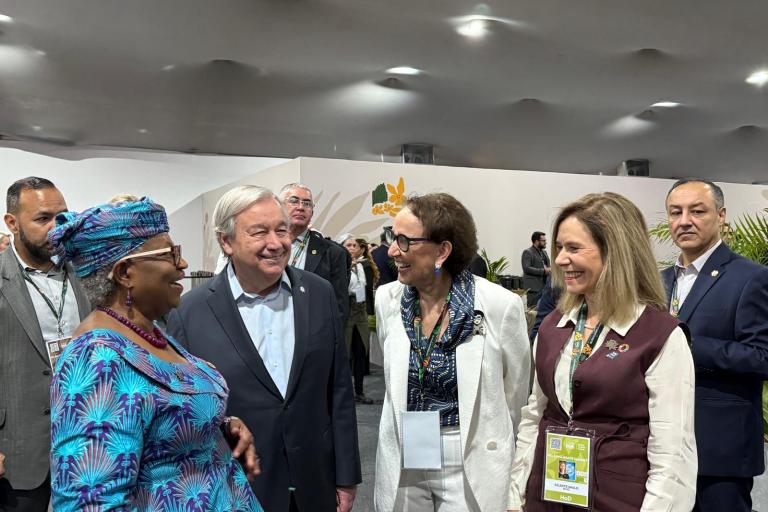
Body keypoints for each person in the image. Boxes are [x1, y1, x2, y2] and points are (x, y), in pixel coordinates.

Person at [47, 197, 263, 511]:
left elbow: (157, 414)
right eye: (169, 253)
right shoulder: (98, 361)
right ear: (125, 273)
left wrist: (216, 425)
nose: (183, 264)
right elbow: (90, 503)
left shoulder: (147, 332)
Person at [167, 185, 361, 512]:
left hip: (314, 482)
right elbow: (183, 413)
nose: (276, 243)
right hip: (236, 488)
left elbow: (338, 389)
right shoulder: (189, 313)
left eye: (281, 230)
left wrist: (346, 475)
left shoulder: (318, 293)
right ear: (226, 241)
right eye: (260, 232)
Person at [510, 192, 697, 511]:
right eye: (558, 248)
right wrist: (516, 495)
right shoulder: (553, 326)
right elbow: (535, 414)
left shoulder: (660, 335)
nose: (559, 260)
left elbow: (672, 452)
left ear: (614, 253)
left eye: (573, 248)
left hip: (616, 498)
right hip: (548, 494)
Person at [374, 193, 531, 512]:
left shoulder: (500, 306)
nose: (392, 251)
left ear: (442, 251)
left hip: (469, 457)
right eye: (393, 237)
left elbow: (515, 395)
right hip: (406, 454)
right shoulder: (387, 300)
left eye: (404, 240)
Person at [662, 178, 768, 511]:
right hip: (662, 445)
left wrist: (687, 344)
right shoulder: (659, 281)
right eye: (675, 212)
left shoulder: (751, 277)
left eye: (697, 211)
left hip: (720, 449)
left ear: (721, 216)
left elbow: (762, 357)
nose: (684, 221)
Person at [0, 177, 90, 511]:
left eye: (63, 216)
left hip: (87, 447)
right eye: (43, 218)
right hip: (19, 455)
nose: (56, 227)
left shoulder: (87, 275)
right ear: (12, 223)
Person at [280, 183, 351, 322]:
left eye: (307, 204)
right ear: (280, 207)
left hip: (311, 330)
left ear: (312, 211)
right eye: (294, 201)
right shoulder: (265, 246)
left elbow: (339, 307)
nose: (300, 207)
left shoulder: (333, 253)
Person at [339, 235, 375, 404]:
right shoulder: (339, 266)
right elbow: (339, 288)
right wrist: (347, 268)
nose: (352, 248)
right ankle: (344, 393)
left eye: (354, 245)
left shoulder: (361, 265)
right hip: (346, 311)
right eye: (348, 245)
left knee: (361, 353)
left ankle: (359, 392)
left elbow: (365, 288)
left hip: (360, 312)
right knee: (344, 355)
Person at [521, 231, 550, 308]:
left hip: (545, 287)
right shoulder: (527, 252)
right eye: (543, 241)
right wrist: (543, 271)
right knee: (532, 311)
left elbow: (548, 266)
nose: (545, 242)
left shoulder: (544, 252)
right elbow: (527, 268)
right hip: (534, 289)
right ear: (536, 241)